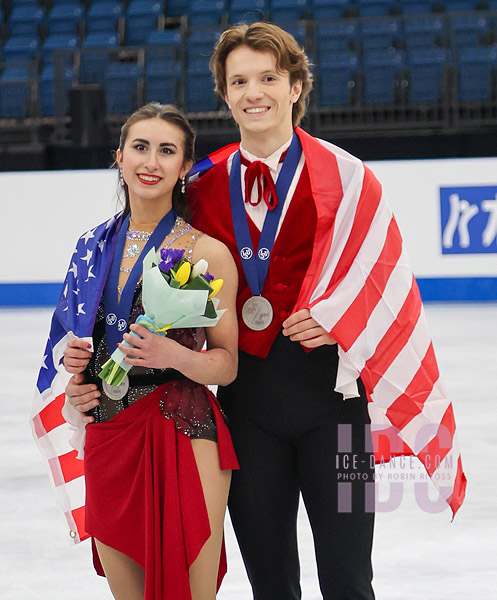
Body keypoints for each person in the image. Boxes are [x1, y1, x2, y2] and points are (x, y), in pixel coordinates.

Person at [185, 22, 466, 600]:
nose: (253, 92)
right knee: (270, 581)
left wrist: (342, 314)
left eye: (268, 77)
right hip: (246, 412)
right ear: (225, 92)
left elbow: (386, 281)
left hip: (339, 416)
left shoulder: (349, 176)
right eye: (239, 81)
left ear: (295, 86)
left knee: (348, 579)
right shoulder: (202, 186)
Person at [32, 103, 239, 600]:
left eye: (167, 151)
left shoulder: (206, 252)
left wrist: (176, 356)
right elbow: (72, 343)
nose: (151, 161)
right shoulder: (90, 247)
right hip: (108, 432)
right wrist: (77, 377)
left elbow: (227, 364)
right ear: (119, 157)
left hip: (184, 430)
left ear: (185, 166)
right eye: (140, 148)